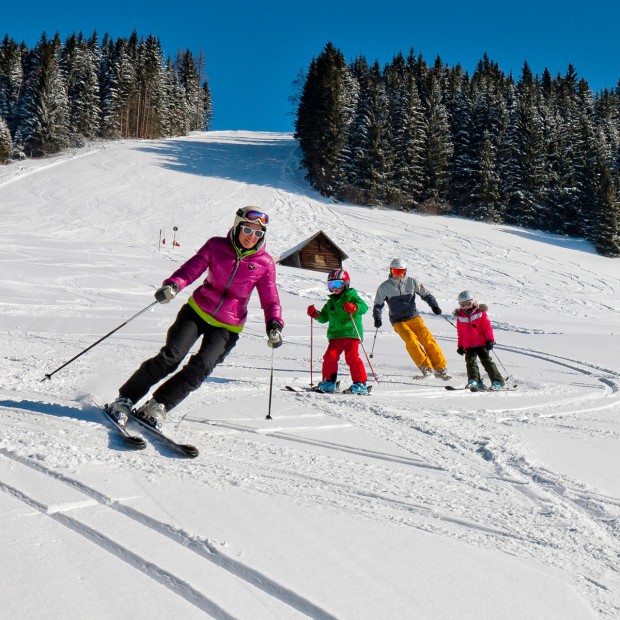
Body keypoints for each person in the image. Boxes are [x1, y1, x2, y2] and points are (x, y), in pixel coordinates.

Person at [107, 207, 284, 428]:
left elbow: (270, 297)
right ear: (238, 226)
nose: (251, 236)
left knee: (201, 368)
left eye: (258, 233)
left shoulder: (264, 263)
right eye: (248, 229)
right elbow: (192, 268)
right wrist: (173, 285)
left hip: (228, 326)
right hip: (198, 311)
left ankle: (158, 405)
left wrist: (274, 322)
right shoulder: (216, 246)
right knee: (171, 357)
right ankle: (126, 399)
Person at [372, 258, 449, 379]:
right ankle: (425, 367)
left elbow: (426, 294)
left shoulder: (412, 282)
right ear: (391, 271)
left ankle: (440, 367)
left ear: (405, 271)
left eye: (401, 271)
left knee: (427, 339)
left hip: (414, 317)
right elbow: (378, 304)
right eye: (395, 271)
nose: (398, 274)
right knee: (411, 340)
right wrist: (377, 318)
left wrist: (434, 306)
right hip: (398, 321)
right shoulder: (384, 287)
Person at [306, 269, 369, 395]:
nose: (334, 288)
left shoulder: (352, 296)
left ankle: (360, 384)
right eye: (331, 285)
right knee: (330, 356)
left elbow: (364, 307)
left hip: (351, 333)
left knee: (352, 357)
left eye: (337, 284)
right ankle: (329, 382)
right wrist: (315, 314)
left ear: (345, 284)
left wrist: (354, 307)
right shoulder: (331, 302)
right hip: (335, 335)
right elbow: (324, 317)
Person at [453, 290, 504, 390]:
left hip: (482, 343)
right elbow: (460, 333)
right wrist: (460, 346)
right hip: (468, 345)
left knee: (487, 362)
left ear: (473, 301)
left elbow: (487, 328)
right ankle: (474, 381)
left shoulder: (480, 313)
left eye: (468, 304)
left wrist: (490, 340)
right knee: (470, 362)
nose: (465, 307)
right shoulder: (460, 316)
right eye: (462, 305)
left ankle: (498, 381)